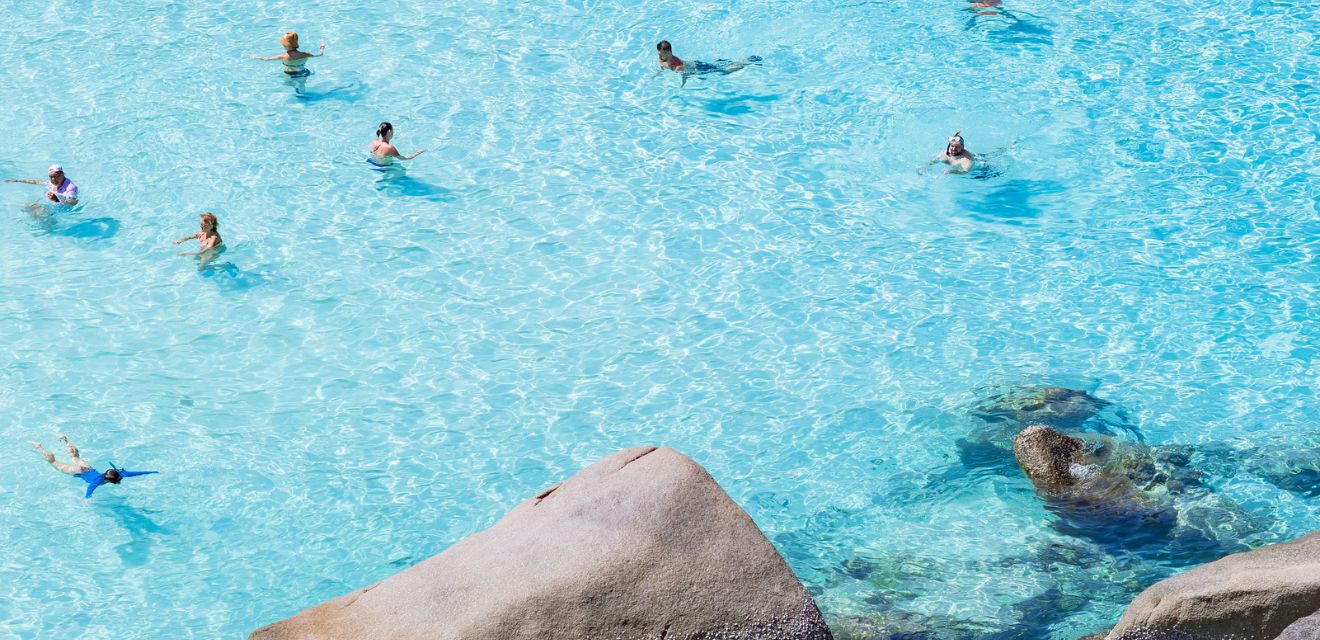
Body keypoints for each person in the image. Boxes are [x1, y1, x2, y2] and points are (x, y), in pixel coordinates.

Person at [30, 434, 157, 500]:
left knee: (75, 457)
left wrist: (153, 471)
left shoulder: (119, 473)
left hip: (87, 467)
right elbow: (91, 487)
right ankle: (38, 446)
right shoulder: (103, 479)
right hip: (79, 471)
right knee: (54, 462)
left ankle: (65, 439)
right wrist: (87, 498)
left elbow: (138, 473)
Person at [656, 41, 761, 85]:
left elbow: (685, 75)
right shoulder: (662, 59)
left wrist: (682, 85)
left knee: (725, 71)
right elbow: (662, 66)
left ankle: (749, 61)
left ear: (668, 52)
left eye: (661, 53)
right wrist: (658, 73)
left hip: (699, 67)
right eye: (659, 53)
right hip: (695, 66)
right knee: (719, 65)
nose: (659, 55)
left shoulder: (678, 66)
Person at [250, 32, 325, 92]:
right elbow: (320, 54)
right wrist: (322, 48)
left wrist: (254, 57)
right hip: (303, 73)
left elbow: (266, 59)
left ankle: (296, 88)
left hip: (289, 75)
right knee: (302, 87)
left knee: (287, 84)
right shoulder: (305, 54)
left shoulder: (283, 56)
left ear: (287, 46)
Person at [6, 164, 79, 206]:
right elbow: (37, 182)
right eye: (51, 177)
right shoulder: (51, 182)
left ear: (62, 174)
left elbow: (73, 202)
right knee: (29, 206)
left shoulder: (71, 187)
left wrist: (57, 200)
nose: (53, 179)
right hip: (52, 206)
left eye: (55, 176)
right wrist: (18, 180)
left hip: (62, 211)